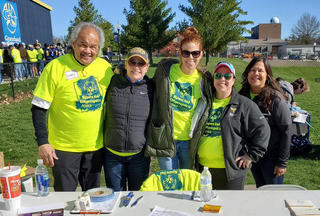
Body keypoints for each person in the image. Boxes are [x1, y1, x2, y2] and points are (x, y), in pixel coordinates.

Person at [31, 22, 114, 191]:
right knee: (65, 197)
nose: (88, 51)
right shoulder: (55, 67)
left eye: (93, 47)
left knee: (93, 197)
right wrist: (43, 142)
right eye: (83, 45)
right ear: (74, 43)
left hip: (95, 147)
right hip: (63, 149)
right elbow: (39, 108)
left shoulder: (105, 68)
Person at [189, 61, 270, 190]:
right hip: (203, 168)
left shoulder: (244, 104)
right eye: (218, 76)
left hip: (230, 171)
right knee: (204, 207)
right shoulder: (204, 102)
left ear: (233, 80)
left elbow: (263, 130)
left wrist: (251, 155)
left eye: (227, 76)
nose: (222, 79)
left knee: (230, 208)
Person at [145, 27, 212, 170]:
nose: (190, 58)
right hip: (166, 138)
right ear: (180, 53)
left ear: (201, 54)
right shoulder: (165, 70)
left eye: (195, 53)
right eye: (186, 53)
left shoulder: (204, 79)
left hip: (189, 141)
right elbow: (148, 86)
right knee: (170, 182)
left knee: (186, 182)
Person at [103, 47, 153, 191]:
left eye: (141, 63)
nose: (136, 67)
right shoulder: (112, 81)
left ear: (147, 67)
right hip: (112, 155)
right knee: (114, 197)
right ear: (126, 64)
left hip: (139, 156)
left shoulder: (151, 87)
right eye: (132, 62)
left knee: (136, 197)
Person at [239, 57, 292, 188]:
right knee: (260, 190)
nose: (256, 73)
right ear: (247, 73)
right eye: (252, 70)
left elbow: (286, 130)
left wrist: (282, 162)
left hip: (272, 158)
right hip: (253, 156)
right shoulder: (242, 96)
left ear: (267, 75)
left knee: (273, 196)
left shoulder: (275, 99)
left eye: (260, 70)